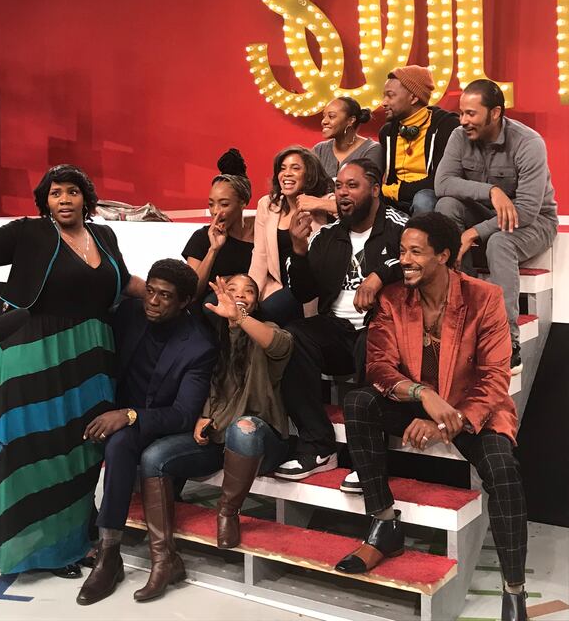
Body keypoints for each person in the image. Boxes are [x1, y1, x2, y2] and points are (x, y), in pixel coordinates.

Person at [335, 213, 528, 621]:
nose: (404, 259)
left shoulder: (484, 297)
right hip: (419, 401)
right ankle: (384, 524)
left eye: (415, 252)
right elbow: (381, 369)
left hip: (475, 408)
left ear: (444, 255)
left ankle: (514, 591)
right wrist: (423, 397)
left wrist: (444, 420)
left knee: (503, 469)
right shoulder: (392, 299)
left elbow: (496, 377)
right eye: (402, 251)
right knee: (359, 402)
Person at [0, 164, 145, 577]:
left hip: (91, 357)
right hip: (32, 355)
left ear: (86, 197)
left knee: (78, 452)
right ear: (44, 201)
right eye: (54, 193)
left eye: (71, 192)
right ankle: (40, 551)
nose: (63, 200)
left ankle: (73, 540)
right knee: (34, 452)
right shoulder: (28, 232)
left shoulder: (104, 235)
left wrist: (179, 290)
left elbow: (121, 283)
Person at [75, 258, 217, 606]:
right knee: (77, 430)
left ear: (185, 301)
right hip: (122, 414)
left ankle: (109, 554)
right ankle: (84, 533)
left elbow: (184, 415)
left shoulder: (199, 345)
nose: (152, 301)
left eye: (165, 296)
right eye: (150, 292)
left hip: (164, 426)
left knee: (121, 441)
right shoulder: (129, 315)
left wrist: (129, 415)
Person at [137, 274, 292, 561]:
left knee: (243, 428)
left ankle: (228, 513)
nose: (239, 294)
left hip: (260, 443)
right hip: (216, 439)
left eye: (248, 292)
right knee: (154, 457)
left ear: (256, 303)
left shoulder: (267, 330)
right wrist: (205, 414)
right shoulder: (210, 339)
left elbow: (279, 345)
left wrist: (240, 316)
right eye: (232, 289)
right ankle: (162, 555)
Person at [273, 159, 406, 481]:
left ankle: (368, 461)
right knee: (292, 337)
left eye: (352, 185)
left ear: (375, 189)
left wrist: (379, 275)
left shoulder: (400, 226)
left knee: (371, 341)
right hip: (337, 327)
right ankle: (319, 446)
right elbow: (304, 293)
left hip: (383, 327)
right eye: (338, 186)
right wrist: (299, 250)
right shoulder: (328, 236)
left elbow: (420, 257)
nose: (342, 193)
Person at [435, 79, 557, 373]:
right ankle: (463, 314)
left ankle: (506, 340)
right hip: (488, 213)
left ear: (495, 113)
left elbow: (526, 212)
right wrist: (491, 191)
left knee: (500, 242)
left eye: (471, 114)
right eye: (461, 113)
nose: (463, 121)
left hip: (534, 223)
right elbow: (442, 184)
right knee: (445, 206)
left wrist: (475, 232)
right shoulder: (458, 136)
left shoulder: (528, 143)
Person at [248, 145, 331, 326]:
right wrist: (250, 292)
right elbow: (260, 255)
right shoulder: (267, 204)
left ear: (309, 174)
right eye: (282, 168)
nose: (286, 174)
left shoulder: (325, 202)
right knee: (247, 310)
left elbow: (351, 211)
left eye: (295, 168)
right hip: (278, 283)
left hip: (311, 287)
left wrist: (318, 204)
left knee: (268, 312)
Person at [380, 65, 459, 215]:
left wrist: (394, 190)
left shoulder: (446, 126)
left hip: (428, 195)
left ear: (414, 97)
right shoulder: (387, 132)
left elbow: (441, 180)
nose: (383, 102)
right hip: (393, 196)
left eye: (390, 95)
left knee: (424, 200)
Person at [182, 149, 254, 300]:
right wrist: (213, 250)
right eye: (211, 204)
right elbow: (192, 293)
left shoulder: (259, 238)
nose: (215, 211)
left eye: (224, 204)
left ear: (243, 202)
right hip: (207, 311)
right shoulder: (201, 237)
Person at [313, 97, 382, 180]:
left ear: (351, 120)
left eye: (331, 116)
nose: (324, 121)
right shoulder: (319, 150)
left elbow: (366, 187)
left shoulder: (372, 149)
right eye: (324, 116)